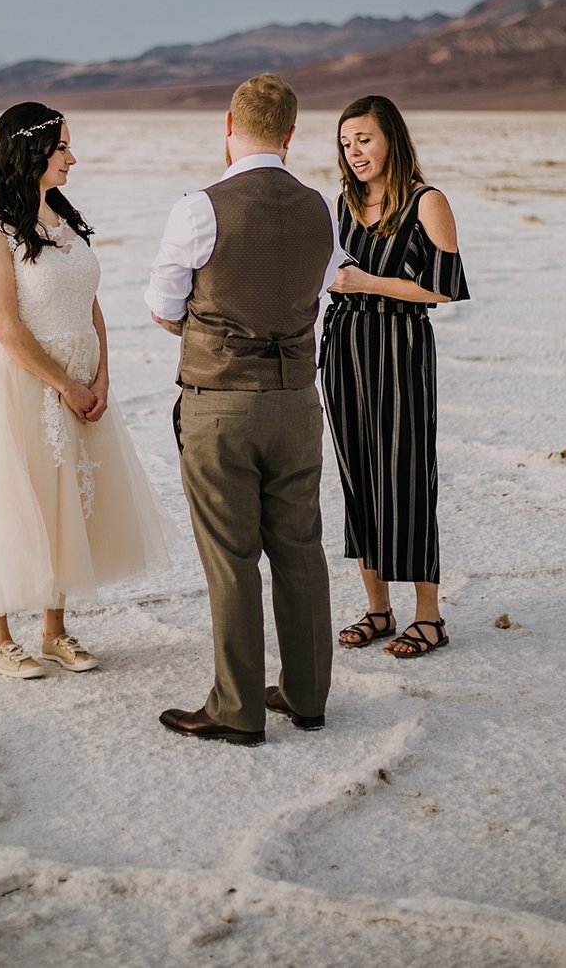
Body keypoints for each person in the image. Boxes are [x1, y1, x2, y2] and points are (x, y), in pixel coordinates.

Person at [146, 74, 344, 744]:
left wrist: (213, 333)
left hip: (221, 406)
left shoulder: (199, 209)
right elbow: (316, 292)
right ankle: (306, 694)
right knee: (301, 547)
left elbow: (163, 308)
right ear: (291, 134)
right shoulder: (322, 207)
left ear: (227, 127)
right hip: (297, 404)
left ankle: (236, 710)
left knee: (231, 556)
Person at [0, 102, 171, 678]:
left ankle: (54, 630)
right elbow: (6, 326)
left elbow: (89, 302)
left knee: (67, 497)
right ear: (32, 152)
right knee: (12, 496)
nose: (73, 157)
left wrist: (100, 376)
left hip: (79, 378)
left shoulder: (62, 217)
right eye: (63, 147)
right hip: (21, 381)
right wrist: (65, 383)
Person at [320, 94, 469, 659]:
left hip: (401, 347)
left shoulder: (428, 202)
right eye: (345, 143)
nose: (355, 152)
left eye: (364, 140)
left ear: (392, 140)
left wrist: (366, 284)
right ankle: (378, 609)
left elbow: (443, 288)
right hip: (345, 347)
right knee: (357, 475)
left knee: (405, 475)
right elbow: (333, 276)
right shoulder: (342, 203)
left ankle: (428, 618)